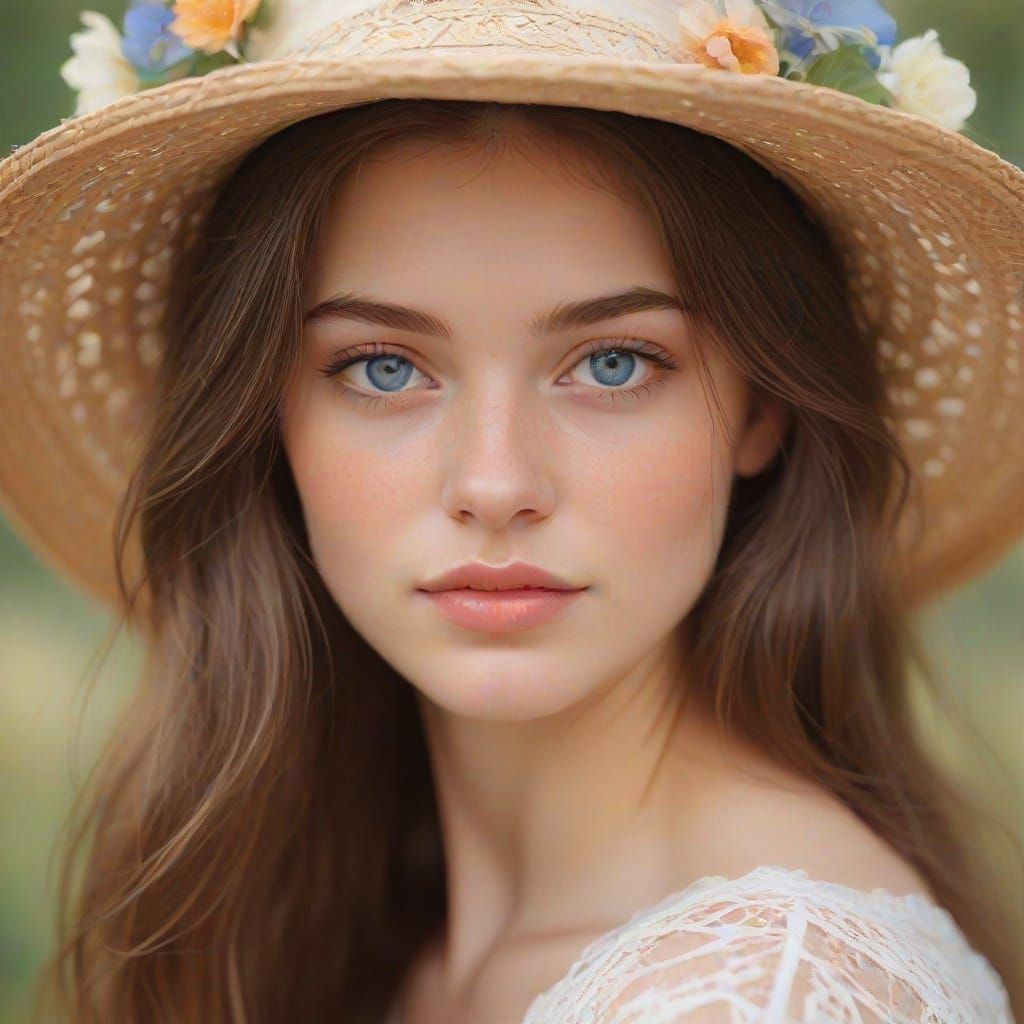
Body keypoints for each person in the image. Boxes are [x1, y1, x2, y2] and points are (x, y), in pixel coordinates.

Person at [1, 1, 1021, 1022]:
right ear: (266, 416)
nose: (493, 484)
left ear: (763, 406)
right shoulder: (339, 931)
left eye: (612, 363)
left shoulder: (759, 995)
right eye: (384, 366)